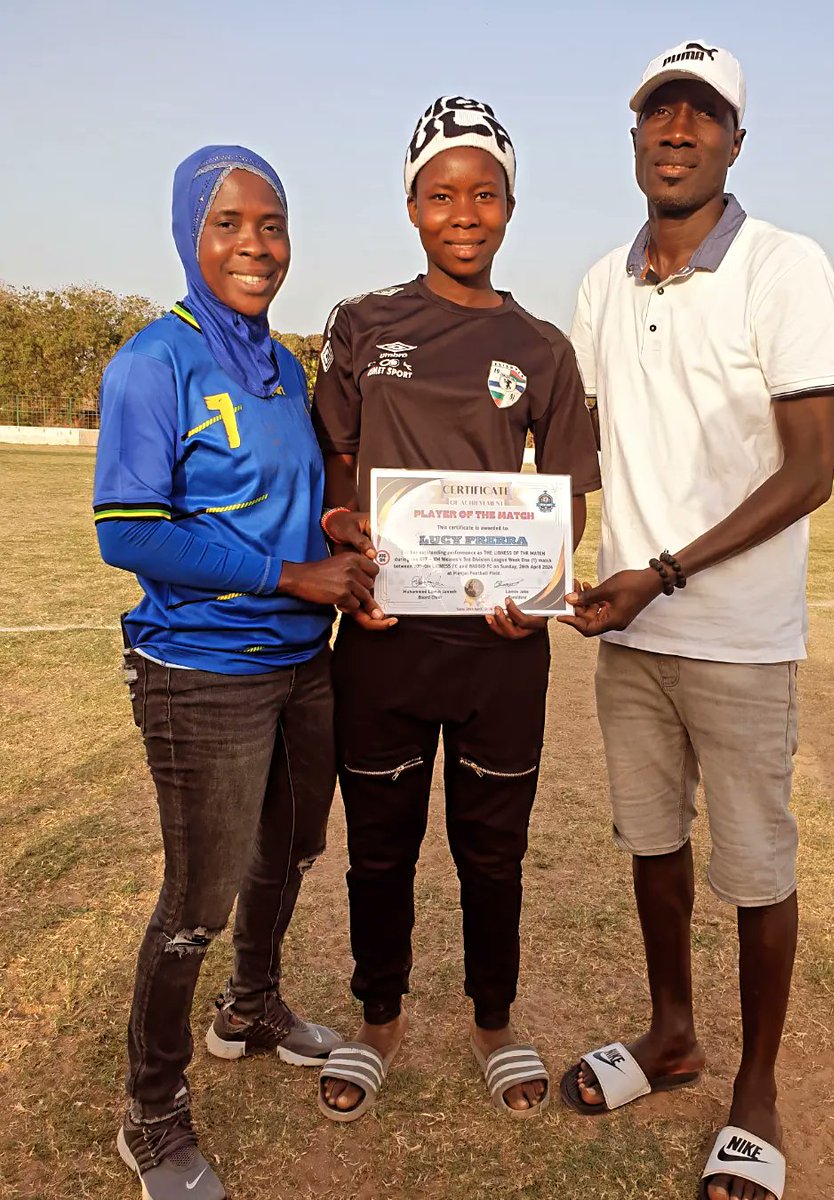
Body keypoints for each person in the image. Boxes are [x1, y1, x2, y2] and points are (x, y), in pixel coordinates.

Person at [558, 42, 834, 1200]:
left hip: (735, 634)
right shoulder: (599, 282)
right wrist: (525, 558)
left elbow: (810, 469)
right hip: (628, 636)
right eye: (657, 112)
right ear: (633, 136)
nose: (676, 131)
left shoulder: (786, 267)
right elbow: (573, 448)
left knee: (756, 868)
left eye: (702, 114)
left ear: (736, 140)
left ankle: (756, 1090)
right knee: (652, 847)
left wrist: (662, 570)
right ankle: (671, 1036)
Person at [94, 145, 379, 1200]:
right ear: (189, 233)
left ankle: (250, 1006)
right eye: (229, 223)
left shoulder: (283, 361)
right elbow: (128, 530)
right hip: (200, 672)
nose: (256, 244)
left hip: (304, 665)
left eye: (272, 223)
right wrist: (290, 572)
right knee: (195, 898)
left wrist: (334, 528)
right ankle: (152, 1112)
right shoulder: (151, 364)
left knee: (293, 848)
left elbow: (288, 499)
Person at [312, 96, 601, 1121]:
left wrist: (540, 585)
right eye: (443, 193)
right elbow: (334, 460)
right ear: (412, 205)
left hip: (499, 651)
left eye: (485, 193)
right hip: (385, 640)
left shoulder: (544, 347)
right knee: (379, 842)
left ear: (511, 207)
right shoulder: (362, 324)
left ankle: (494, 1018)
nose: (463, 211)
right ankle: (377, 1014)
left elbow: (561, 493)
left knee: (493, 847)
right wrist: (347, 531)